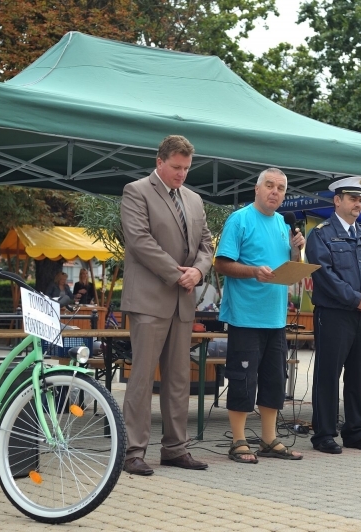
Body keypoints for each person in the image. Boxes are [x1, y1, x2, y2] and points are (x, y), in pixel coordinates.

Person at [119, 135, 213, 476]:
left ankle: (175, 448)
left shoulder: (195, 199)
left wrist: (199, 272)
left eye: (186, 168)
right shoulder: (136, 191)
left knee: (178, 380)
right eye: (176, 167)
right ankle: (133, 451)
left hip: (182, 300)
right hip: (148, 298)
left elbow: (206, 245)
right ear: (159, 161)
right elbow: (139, 240)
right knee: (142, 378)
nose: (181, 174)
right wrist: (178, 275)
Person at [214, 168, 305, 464]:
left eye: (280, 188)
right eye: (270, 186)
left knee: (274, 379)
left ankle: (269, 439)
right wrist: (254, 271)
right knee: (242, 378)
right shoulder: (239, 220)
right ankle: (239, 441)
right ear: (257, 189)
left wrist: (296, 253)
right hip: (245, 316)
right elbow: (222, 264)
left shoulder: (283, 223)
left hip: (276, 318)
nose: (275, 192)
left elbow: (291, 268)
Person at [305, 177, 361, 454]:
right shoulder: (321, 234)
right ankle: (324, 434)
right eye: (353, 199)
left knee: (357, 375)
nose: (358, 204)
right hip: (334, 315)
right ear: (337, 200)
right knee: (328, 375)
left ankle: (355, 431)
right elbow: (324, 274)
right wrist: (355, 299)